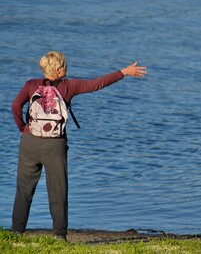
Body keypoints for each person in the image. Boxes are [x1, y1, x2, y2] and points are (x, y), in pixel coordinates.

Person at [11, 51, 147, 241]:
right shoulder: (69, 86)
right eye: (65, 66)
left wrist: (23, 129)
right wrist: (123, 72)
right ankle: (59, 235)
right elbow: (98, 84)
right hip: (55, 145)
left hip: (29, 142)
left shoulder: (30, 85)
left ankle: (16, 233)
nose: (67, 68)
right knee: (58, 191)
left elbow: (16, 106)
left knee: (24, 189)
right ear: (58, 70)